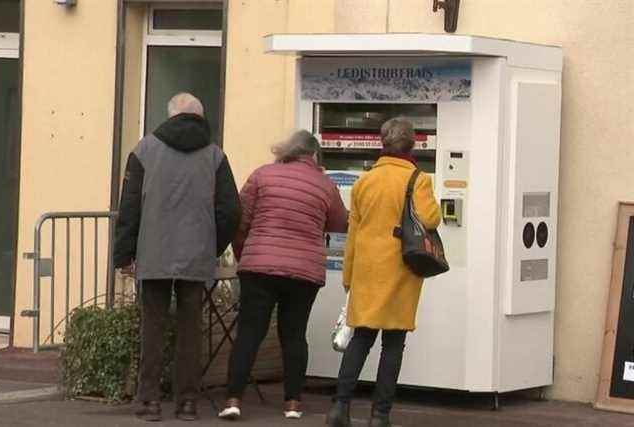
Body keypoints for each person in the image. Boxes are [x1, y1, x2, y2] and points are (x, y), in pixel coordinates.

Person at [113, 93, 241, 422]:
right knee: (190, 332)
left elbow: (129, 207)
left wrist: (124, 254)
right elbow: (230, 210)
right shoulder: (215, 155)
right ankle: (187, 403)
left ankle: (150, 401)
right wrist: (211, 245)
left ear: (170, 116)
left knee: (152, 329)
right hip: (196, 255)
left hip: (153, 252)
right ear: (199, 117)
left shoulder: (144, 150)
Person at [218, 130, 348, 421]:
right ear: (314, 155)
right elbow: (340, 223)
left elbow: (240, 221)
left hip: (259, 268)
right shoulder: (324, 184)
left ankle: (233, 399)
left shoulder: (262, 175)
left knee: (249, 333)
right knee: (293, 335)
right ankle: (292, 404)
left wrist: (245, 255)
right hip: (304, 272)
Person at [326, 118, 441, 427]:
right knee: (393, 344)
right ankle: (380, 414)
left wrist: (348, 276)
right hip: (401, 269)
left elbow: (353, 234)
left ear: (382, 144)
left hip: (366, 269)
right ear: (412, 144)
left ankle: (340, 407)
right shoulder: (418, 179)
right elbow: (431, 218)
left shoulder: (365, 181)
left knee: (360, 338)